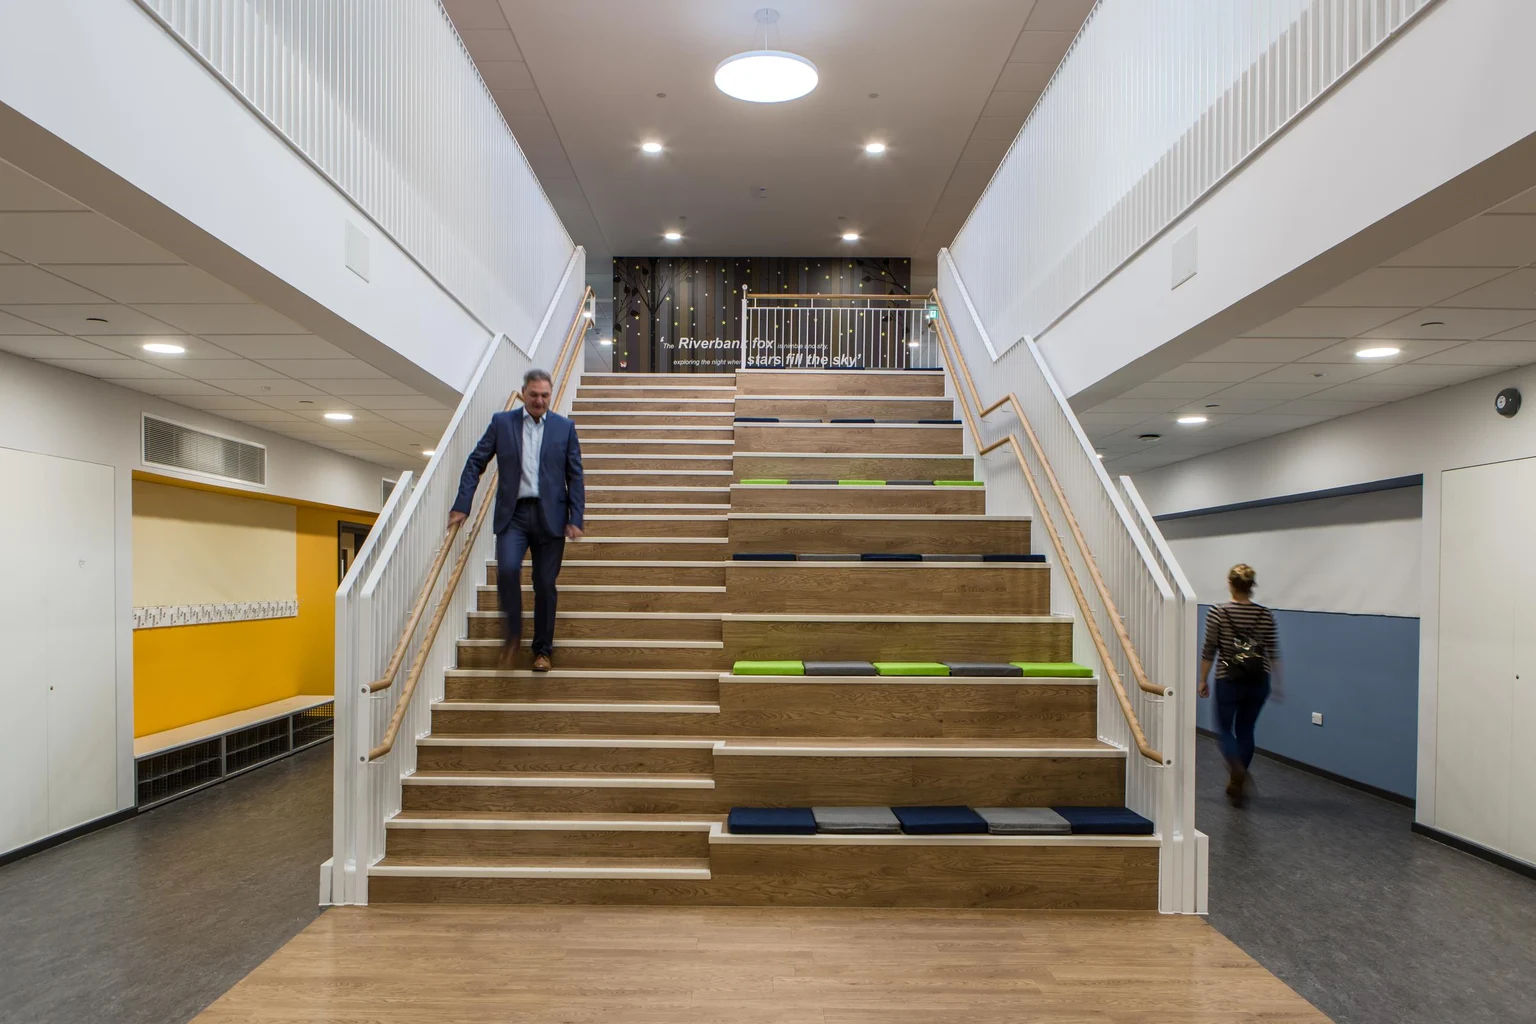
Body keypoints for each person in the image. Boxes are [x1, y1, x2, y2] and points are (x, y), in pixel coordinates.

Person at [450, 368, 584, 672]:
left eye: (545, 395)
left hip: (551, 517)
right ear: (523, 393)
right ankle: (512, 635)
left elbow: (575, 475)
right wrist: (462, 504)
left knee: (545, 584)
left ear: (551, 395)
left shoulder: (564, 428)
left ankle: (542, 651)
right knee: (508, 570)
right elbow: (475, 462)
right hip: (514, 515)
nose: (539, 400)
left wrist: (576, 516)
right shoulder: (502, 423)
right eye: (534, 395)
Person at [1197, 563, 1282, 806]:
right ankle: (1239, 777)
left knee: (1225, 729)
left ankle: (1236, 767)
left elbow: (1209, 649)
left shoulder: (1218, 612)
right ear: (1252, 585)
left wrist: (1202, 679)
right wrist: (1278, 682)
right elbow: (1273, 651)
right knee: (1246, 729)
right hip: (1258, 680)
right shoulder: (1265, 615)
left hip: (1228, 679)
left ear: (1230, 584)